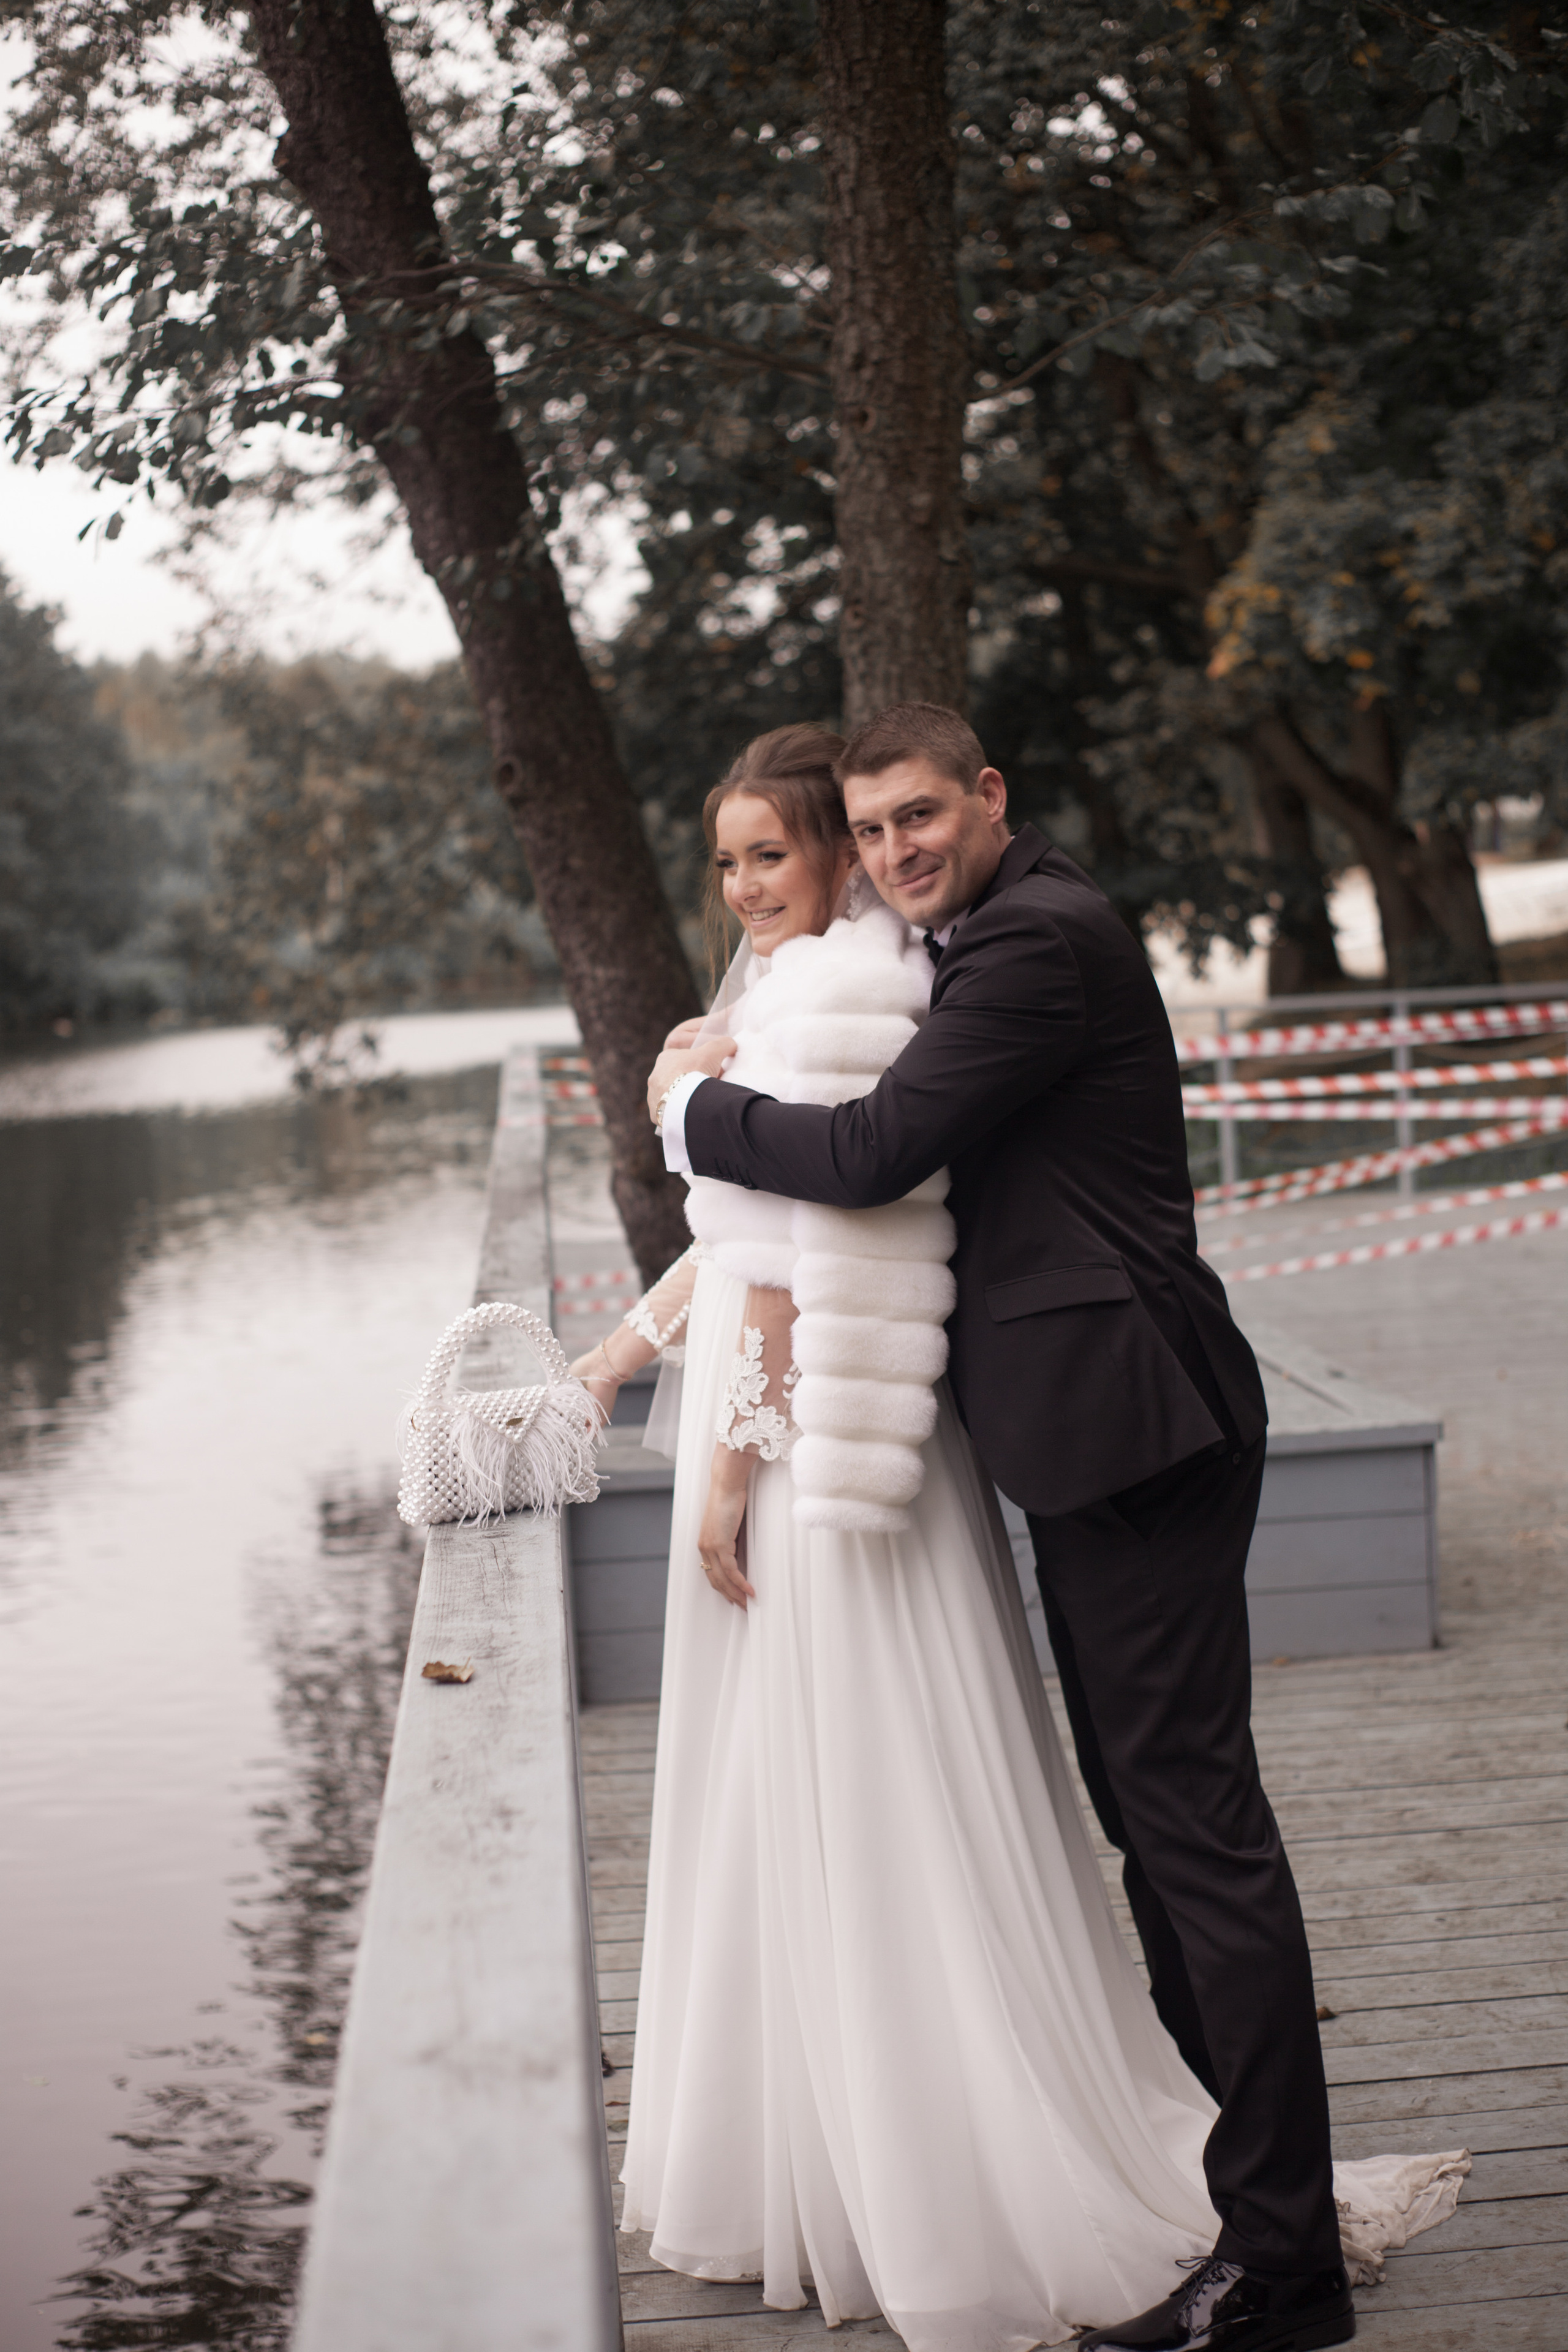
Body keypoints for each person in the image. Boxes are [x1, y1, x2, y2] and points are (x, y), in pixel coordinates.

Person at [627, 707, 1462, 2352]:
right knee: (1161, 1833)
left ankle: (1282, 2268)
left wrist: (689, 1113)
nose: (897, 852)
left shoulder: (1034, 944)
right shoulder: (981, 937)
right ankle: (1237, 2200)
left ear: (987, 796)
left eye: (920, 817)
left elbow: (870, 1153)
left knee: (1199, 1839)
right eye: (873, 829)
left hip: (1138, 1429)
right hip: (1094, 1435)